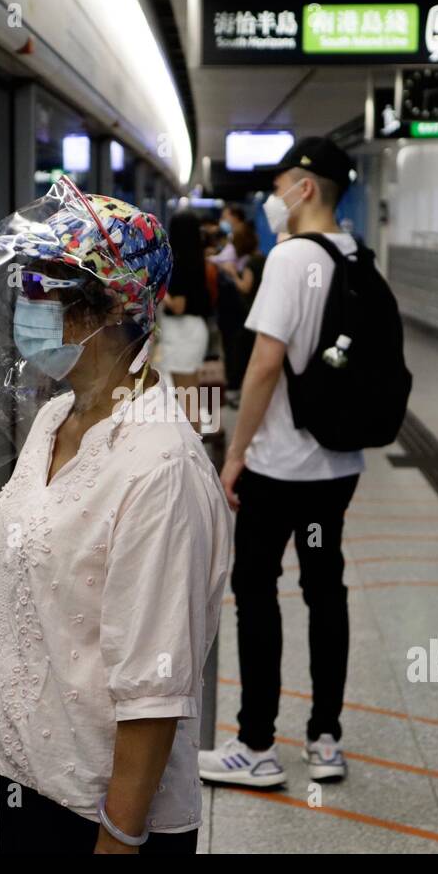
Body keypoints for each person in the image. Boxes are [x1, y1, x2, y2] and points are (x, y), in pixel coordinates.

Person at [0, 183, 232, 853]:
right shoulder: (53, 419)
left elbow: (155, 688)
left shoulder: (159, 469)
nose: (25, 305)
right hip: (28, 777)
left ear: (106, 308)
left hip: (100, 808)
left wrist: (120, 835)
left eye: (42, 287)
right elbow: (25, 595)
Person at [198, 137, 362, 788]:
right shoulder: (356, 253)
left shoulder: (291, 258)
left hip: (278, 464)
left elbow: (265, 364)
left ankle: (257, 746)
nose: (272, 198)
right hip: (339, 465)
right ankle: (325, 741)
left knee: (257, 592)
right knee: (326, 592)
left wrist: (235, 453)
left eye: (281, 184)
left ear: (307, 189)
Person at [156, 211, 213, 416]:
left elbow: (178, 306)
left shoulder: (180, 263)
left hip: (183, 334)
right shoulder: (196, 259)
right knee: (190, 397)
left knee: (187, 401)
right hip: (192, 330)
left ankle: (194, 445)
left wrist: (157, 289)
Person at [216, 219, 264, 404]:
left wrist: (233, 274)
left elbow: (245, 287)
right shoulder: (261, 257)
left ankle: (239, 391)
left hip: (247, 314)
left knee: (241, 353)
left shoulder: (252, 262)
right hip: (257, 311)